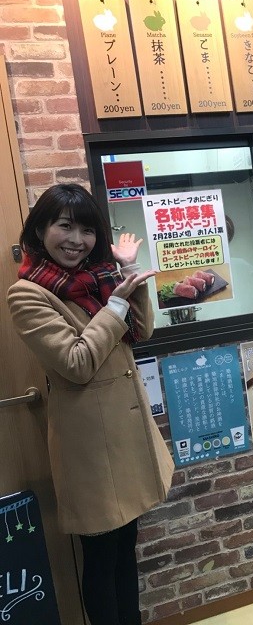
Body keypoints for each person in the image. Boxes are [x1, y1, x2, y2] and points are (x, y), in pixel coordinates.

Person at [7, 184, 174, 625]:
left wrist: (128, 272)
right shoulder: (28, 294)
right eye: (65, 226)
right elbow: (77, 363)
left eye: (86, 230)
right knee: (100, 555)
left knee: (125, 548)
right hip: (89, 450)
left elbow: (143, 331)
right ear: (40, 230)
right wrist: (115, 304)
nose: (76, 240)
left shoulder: (98, 279)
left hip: (124, 438)